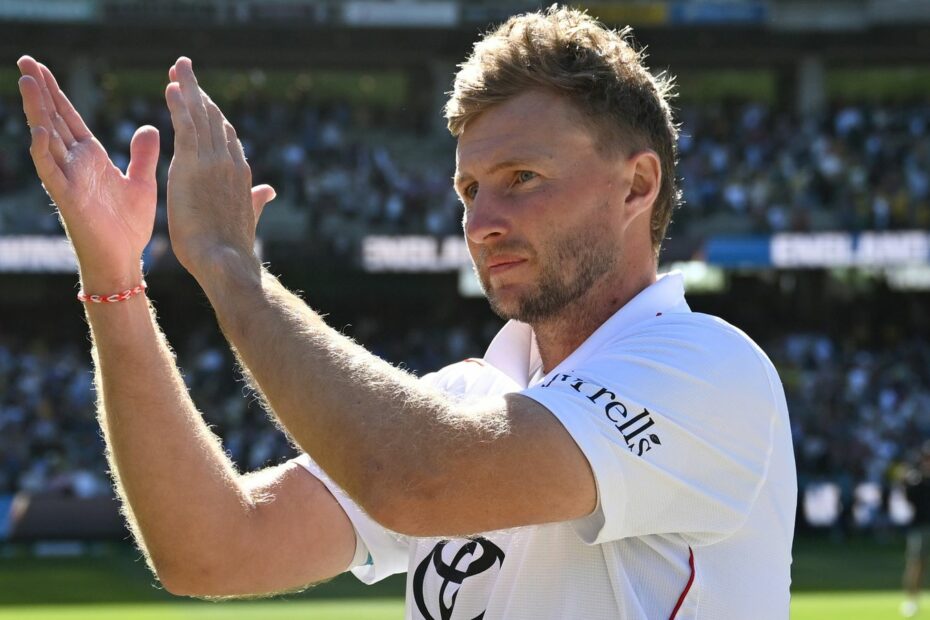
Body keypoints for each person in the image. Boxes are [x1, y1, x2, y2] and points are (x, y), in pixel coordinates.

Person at [17, 6, 796, 618]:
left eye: (521, 176)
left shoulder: (710, 370)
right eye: (468, 190)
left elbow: (417, 477)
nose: (481, 220)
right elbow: (212, 548)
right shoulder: (466, 400)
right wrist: (114, 279)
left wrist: (232, 272)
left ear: (636, 185)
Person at [901, 445, 930, 617]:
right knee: (916, 564)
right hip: (921, 527)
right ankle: (912, 600)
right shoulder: (917, 479)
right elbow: (910, 498)